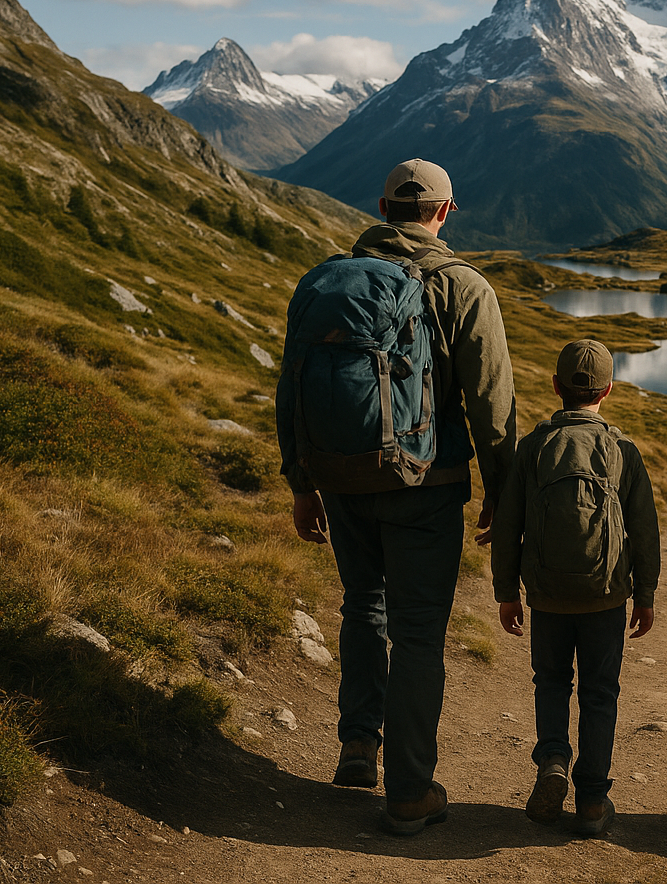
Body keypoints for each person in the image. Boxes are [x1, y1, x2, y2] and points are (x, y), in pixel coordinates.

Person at [280, 158, 517, 835]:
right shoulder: (462, 286)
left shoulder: (328, 280)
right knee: (418, 631)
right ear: (445, 211)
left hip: (342, 477)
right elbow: (491, 402)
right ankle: (411, 790)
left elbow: (291, 385)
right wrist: (501, 492)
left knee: (364, 604)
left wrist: (302, 483)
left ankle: (359, 745)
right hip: (426, 485)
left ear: (382, 209)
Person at [491, 339, 660, 837]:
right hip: (606, 595)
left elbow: (508, 525)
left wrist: (506, 591)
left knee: (551, 682)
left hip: (547, 594)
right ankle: (590, 801)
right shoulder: (623, 450)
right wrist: (645, 595)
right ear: (608, 390)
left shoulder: (534, 446)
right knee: (599, 693)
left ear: (555, 386)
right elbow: (644, 529)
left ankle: (552, 761)